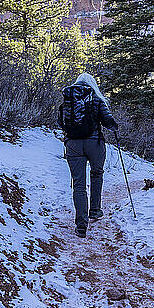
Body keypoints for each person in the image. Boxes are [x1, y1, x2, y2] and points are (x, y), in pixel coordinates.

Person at [58, 73, 118, 238]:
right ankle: (95, 210)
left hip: (73, 144)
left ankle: (81, 226)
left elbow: (60, 122)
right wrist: (114, 126)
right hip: (94, 144)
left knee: (79, 185)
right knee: (97, 174)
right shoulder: (96, 98)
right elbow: (107, 121)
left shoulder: (68, 98)